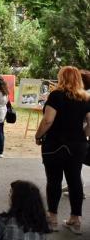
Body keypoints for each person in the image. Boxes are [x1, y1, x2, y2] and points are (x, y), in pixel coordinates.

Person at [35, 66, 90, 234]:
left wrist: (38, 136)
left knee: (54, 181)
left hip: (55, 144)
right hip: (78, 145)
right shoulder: (85, 98)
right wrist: (84, 134)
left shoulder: (56, 95)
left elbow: (48, 120)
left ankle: (52, 219)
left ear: (61, 78)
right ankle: (76, 219)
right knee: (74, 181)